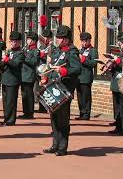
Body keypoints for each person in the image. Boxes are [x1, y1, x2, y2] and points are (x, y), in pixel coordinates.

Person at [41, 25, 81, 156]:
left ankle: (62, 147)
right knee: (54, 118)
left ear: (66, 39)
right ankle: (55, 144)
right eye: (57, 37)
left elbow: (77, 69)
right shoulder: (56, 51)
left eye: (59, 38)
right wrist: (45, 77)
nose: (57, 40)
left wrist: (64, 71)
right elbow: (51, 67)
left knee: (63, 119)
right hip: (53, 87)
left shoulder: (72, 51)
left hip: (65, 89)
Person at [108, 32, 123, 136]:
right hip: (117, 83)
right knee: (117, 107)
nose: (121, 46)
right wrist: (110, 65)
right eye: (121, 43)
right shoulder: (121, 54)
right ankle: (117, 127)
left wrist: (117, 61)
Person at [0, 30, 24, 125]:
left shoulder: (20, 53)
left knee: (11, 101)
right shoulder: (9, 52)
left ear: (19, 42)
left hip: (13, 79)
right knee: (5, 101)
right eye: (12, 41)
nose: (13, 43)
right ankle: (6, 118)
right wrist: (2, 62)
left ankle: (10, 120)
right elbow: (3, 64)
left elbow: (16, 64)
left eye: (15, 41)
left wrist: (7, 60)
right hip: (5, 78)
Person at [75, 32, 98, 120]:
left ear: (89, 41)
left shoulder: (93, 51)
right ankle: (81, 112)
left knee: (86, 97)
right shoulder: (81, 50)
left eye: (85, 41)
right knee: (80, 96)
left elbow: (94, 63)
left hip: (86, 77)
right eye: (82, 41)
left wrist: (84, 60)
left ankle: (86, 114)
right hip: (79, 77)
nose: (83, 43)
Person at [18, 31, 40, 119]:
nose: (28, 41)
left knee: (29, 94)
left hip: (29, 74)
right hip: (22, 74)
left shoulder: (36, 51)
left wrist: (25, 58)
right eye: (27, 39)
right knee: (24, 95)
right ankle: (25, 112)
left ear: (34, 41)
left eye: (30, 39)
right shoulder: (25, 49)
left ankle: (30, 112)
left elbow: (34, 62)